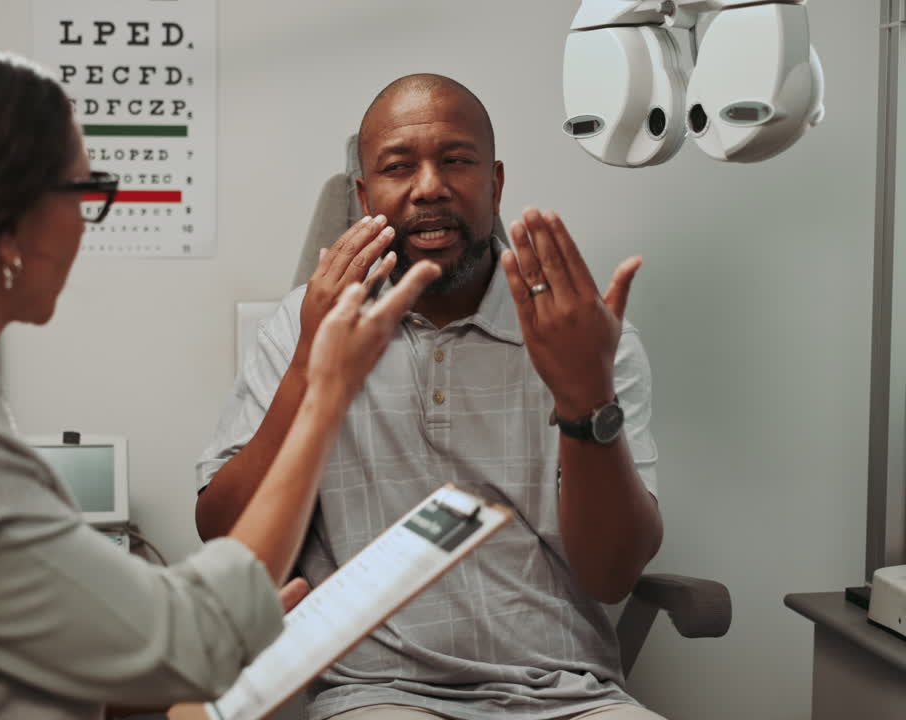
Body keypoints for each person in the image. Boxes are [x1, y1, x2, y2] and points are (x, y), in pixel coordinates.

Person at [0, 43, 441, 719]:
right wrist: (326, 391)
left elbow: (18, 647)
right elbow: (199, 640)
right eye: (83, 193)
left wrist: (218, 624)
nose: (84, 228)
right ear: (8, 223)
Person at [195, 74, 665, 720]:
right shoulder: (301, 328)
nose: (429, 187)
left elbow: (614, 574)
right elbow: (224, 541)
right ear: (364, 198)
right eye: (397, 167)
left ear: (494, 184)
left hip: (569, 691)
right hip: (379, 694)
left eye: (456, 160)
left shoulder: (581, 335)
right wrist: (311, 361)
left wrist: (586, 397)